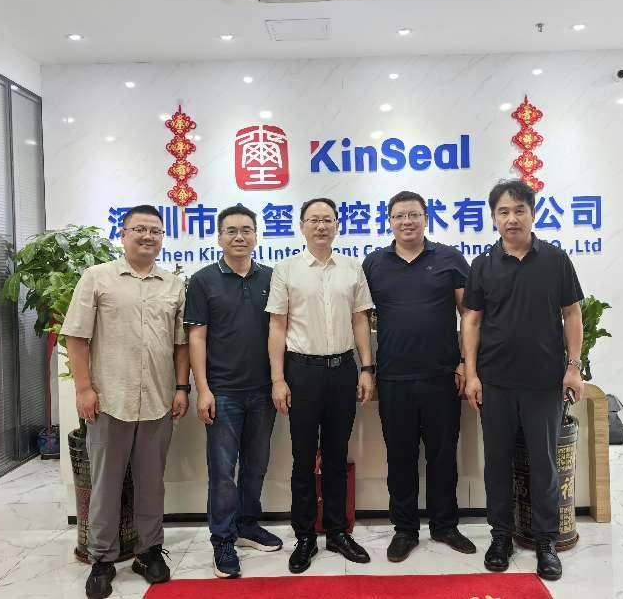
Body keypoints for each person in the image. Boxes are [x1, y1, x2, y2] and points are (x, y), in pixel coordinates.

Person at [61, 204, 190, 599]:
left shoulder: (173, 285)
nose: (148, 236)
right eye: (139, 229)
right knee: (105, 484)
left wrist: (181, 388)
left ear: (162, 238)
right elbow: (76, 337)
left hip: (158, 400)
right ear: (123, 234)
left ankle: (149, 552)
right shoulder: (97, 278)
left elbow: (180, 344)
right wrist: (84, 389)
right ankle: (102, 559)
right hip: (108, 401)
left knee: (152, 482)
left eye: (155, 230)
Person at [461, 179, 584, 582]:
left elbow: (572, 314)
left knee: (544, 464)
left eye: (519, 210)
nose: (511, 218)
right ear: (493, 218)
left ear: (533, 213)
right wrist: (472, 374)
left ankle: (546, 541)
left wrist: (573, 367)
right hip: (495, 382)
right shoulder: (483, 265)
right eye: (503, 212)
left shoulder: (555, 260)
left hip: (544, 383)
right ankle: (500, 537)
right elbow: (472, 321)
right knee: (497, 463)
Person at [362, 190, 475, 563]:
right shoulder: (374, 264)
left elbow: (469, 316)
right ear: (389, 221)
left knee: (443, 456)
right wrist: (367, 368)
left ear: (426, 217)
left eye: (413, 214)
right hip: (394, 378)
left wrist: (465, 362)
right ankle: (405, 529)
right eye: (399, 215)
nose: (406, 221)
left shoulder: (449, 258)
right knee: (400, 457)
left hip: (442, 376)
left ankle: (445, 525)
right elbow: (362, 317)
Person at [265, 197, 375, 574]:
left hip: (343, 370)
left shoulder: (352, 268)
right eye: (313, 220)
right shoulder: (286, 270)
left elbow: (360, 320)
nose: (321, 226)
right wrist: (278, 379)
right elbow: (277, 326)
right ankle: (305, 535)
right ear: (302, 226)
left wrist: (366, 368)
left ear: (337, 225)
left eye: (327, 219)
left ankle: (337, 531)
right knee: (302, 457)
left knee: (336, 454)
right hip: (301, 372)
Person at [185, 204, 282, 579]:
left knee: (256, 465)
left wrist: (278, 381)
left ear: (256, 236)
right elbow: (196, 338)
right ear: (219, 237)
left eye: (246, 230)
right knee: (223, 472)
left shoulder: (272, 277)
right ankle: (222, 539)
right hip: (222, 391)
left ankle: (247, 525)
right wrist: (202, 389)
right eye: (231, 231)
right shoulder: (203, 280)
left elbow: (279, 331)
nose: (239, 237)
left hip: (263, 391)